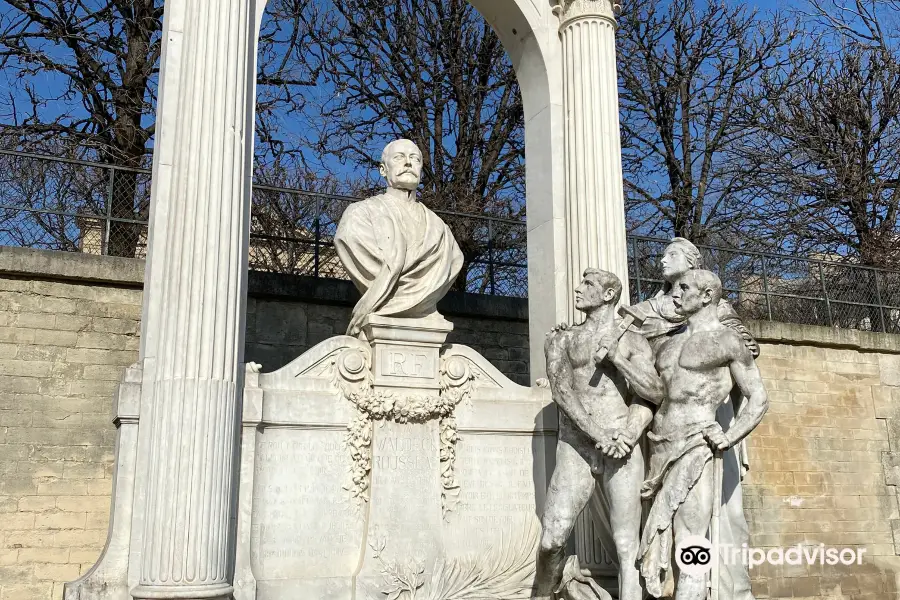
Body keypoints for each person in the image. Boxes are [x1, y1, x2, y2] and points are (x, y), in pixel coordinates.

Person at [610, 270, 768, 600]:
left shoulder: (727, 340)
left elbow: (758, 397)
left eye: (684, 288)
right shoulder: (666, 344)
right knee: (660, 552)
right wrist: (628, 431)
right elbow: (650, 398)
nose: (675, 294)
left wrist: (731, 435)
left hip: (697, 444)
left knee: (690, 543)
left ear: (707, 295)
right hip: (658, 449)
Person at [537, 269, 659, 600]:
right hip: (577, 444)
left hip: (622, 444)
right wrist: (597, 434)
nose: (578, 289)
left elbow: (652, 393)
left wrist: (629, 434)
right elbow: (561, 393)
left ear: (607, 295)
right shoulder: (561, 338)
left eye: (587, 285)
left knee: (626, 542)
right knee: (552, 539)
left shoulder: (633, 341)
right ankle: (540, 595)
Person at [334, 139, 464, 336]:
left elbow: (455, 261)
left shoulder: (441, 229)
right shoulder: (358, 215)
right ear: (383, 170)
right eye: (399, 157)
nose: (408, 163)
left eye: (415, 158)